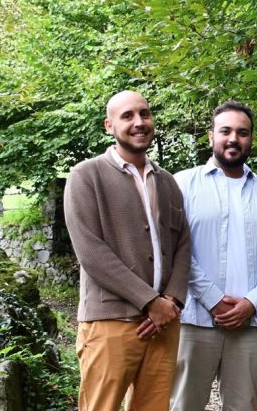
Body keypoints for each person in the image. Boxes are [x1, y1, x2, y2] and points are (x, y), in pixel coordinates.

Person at [63, 90, 191, 411]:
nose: (139, 122)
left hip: (163, 325)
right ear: (109, 126)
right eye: (128, 116)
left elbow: (183, 246)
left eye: (144, 114)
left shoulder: (168, 183)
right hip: (110, 323)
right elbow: (91, 253)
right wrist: (150, 301)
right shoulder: (85, 176)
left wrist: (171, 302)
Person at [170, 100, 257, 411]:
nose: (233, 139)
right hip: (194, 319)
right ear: (211, 136)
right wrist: (212, 297)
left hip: (250, 324)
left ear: (251, 139)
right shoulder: (182, 184)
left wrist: (252, 301)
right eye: (225, 131)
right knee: (183, 405)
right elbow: (174, 246)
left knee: (243, 407)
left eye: (242, 132)